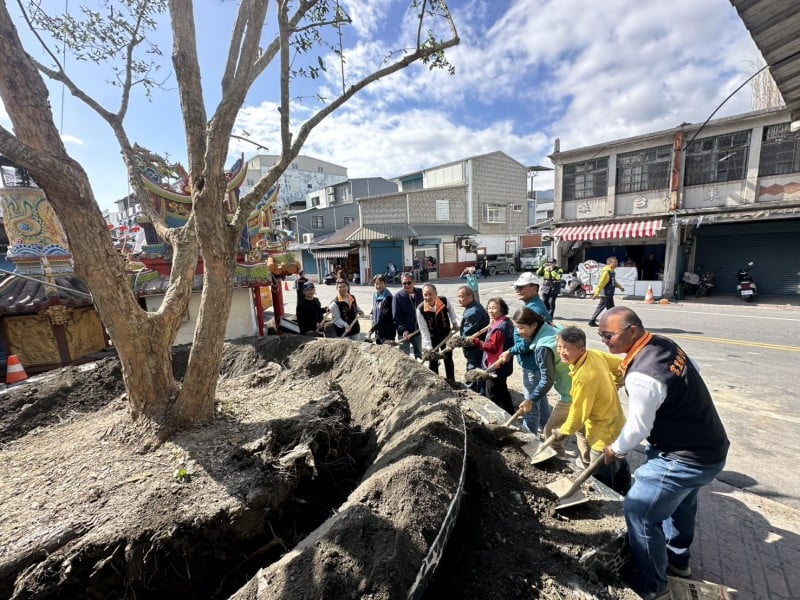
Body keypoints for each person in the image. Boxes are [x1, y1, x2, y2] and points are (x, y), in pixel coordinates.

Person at [599, 307, 729, 600]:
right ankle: (677, 561)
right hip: (710, 447)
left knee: (639, 510)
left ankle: (654, 586)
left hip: (683, 457)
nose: (604, 340)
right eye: (601, 335)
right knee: (681, 502)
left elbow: (638, 427)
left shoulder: (643, 374)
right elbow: (693, 371)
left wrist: (615, 450)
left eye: (609, 335)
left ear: (632, 331)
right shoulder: (664, 344)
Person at [551, 326, 631, 494]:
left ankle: (613, 502)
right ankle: (626, 495)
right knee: (619, 463)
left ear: (581, 350)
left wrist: (562, 432)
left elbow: (577, 415)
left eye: (567, 348)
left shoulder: (583, 377)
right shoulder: (594, 355)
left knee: (603, 480)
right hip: (617, 424)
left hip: (602, 435)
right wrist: (617, 383)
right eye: (559, 346)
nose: (562, 352)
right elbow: (622, 365)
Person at [498, 307, 571, 436]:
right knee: (581, 432)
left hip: (570, 391)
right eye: (517, 327)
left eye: (521, 327)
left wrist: (530, 400)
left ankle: (532, 439)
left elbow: (547, 380)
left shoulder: (543, 347)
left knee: (551, 434)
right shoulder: (551, 328)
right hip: (575, 384)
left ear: (534, 325)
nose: (518, 332)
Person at [471, 297, 514, 413]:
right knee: (503, 390)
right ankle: (510, 412)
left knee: (492, 393)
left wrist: (476, 342)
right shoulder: (505, 321)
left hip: (495, 366)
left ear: (502, 309)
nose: (490, 311)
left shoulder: (499, 328)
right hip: (504, 365)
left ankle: (495, 414)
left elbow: (493, 348)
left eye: (494, 308)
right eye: (489, 308)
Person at [416, 283, 459, 382]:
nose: (428, 297)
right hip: (432, 337)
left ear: (436, 293)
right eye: (425, 295)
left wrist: (454, 323)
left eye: (430, 294)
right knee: (433, 361)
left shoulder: (444, 300)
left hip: (446, 335)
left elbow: (451, 311)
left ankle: (451, 380)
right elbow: (423, 329)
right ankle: (435, 382)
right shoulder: (420, 309)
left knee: (448, 358)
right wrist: (428, 346)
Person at [456, 285, 489, 393]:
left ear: (470, 297)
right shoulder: (474, 307)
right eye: (458, 297)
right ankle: (480, 389)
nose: (459, 299)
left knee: (473, 368)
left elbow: (468, 336)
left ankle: (471, 390)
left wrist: (455, 343)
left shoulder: (473, 312)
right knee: (479, 368)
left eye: (462, 297)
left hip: (475, 348)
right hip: (479, 346)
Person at [392, 273, 424, 359]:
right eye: (404, 283)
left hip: (417, 331)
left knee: (419, 355)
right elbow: (396, 316)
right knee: (404, 357)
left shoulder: (421, 293)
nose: (406, 285)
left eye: (409, 283)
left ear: (414, 282)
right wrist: (403, 330)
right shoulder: (398, 297)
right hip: (404, 333)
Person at [587, 256, 625, 327]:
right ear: (609, 263)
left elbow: (613, 282)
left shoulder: (612, 271)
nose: (617, 263)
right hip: (605, 293)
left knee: (607, 308)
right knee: (610, 310)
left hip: (609, 293)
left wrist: (620, 287)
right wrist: (597, 293)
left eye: (617, 262)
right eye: (615, 262)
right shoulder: (606, 272)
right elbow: (601, 283)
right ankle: (611, 323)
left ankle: (592, 321)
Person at [370, 275, 396, 344]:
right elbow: (375, 307)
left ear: (385, 284)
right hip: (378, 329)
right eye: (376, 284)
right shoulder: (375, 294)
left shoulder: (388, 297)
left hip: (387, 331)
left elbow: (384, 317)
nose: (378, 286)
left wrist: (373, 329)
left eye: (381, 283)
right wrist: (371, 313)